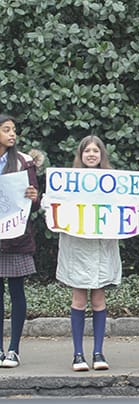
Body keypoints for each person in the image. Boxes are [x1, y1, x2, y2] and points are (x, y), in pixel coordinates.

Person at [55, 136, 123, 371]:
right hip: (78, 247)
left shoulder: (115, 182)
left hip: (102, 246)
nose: (91, 155)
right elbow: (53, 205)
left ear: (102, 155)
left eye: (96, 151)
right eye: (87, 151)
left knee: (98, 299)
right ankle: (77, 354)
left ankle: (98, 352)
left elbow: (127, 205)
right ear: (80, 155)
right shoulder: (66, 182)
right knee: (78, 299)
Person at [0, 114, 40, 369]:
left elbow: (33, 204)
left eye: (14, 130)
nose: (12, 134)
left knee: (17, 292)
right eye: (6, 130)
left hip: (15, 238)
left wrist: (34, 197)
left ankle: (13, 349)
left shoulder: (24, 162)